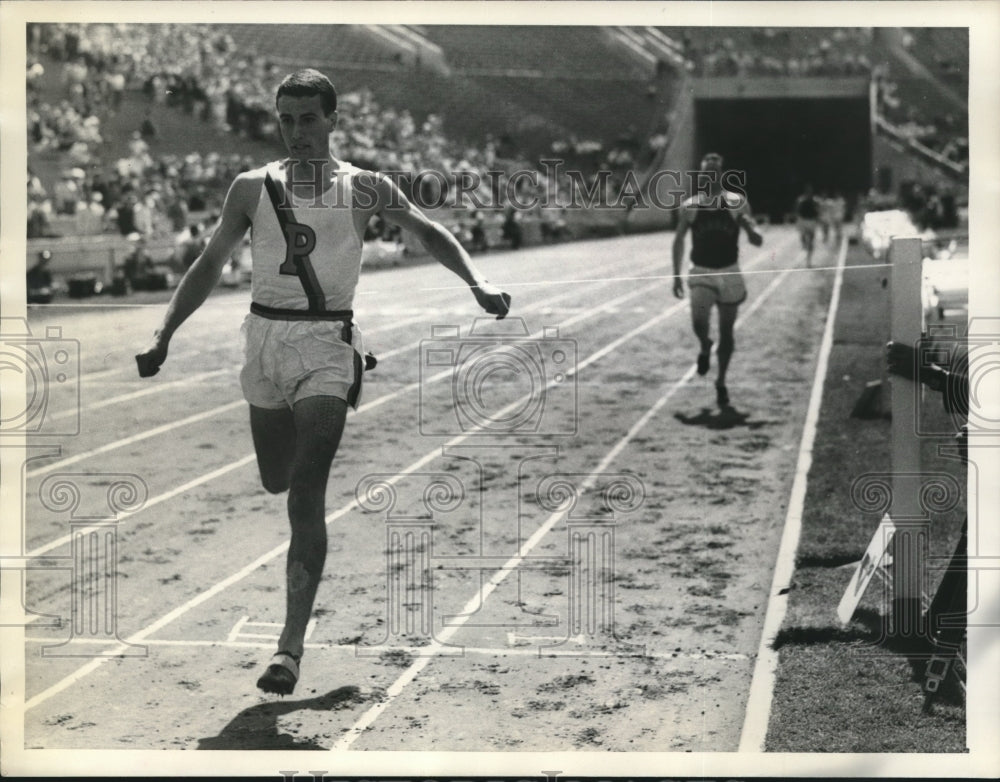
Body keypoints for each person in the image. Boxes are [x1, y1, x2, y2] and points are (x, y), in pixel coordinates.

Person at [135, 69, 511, 696]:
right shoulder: (251, 188)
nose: (297, 131)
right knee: (275, 477)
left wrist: (477, 283)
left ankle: (289, 650)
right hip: (264, 343)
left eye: (309, 118)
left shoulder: (364, 187)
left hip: (327, 344)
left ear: (333, 120)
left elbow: (428, 230)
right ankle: (294, 617)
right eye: (287, 119)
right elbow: (208, 263)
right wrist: (163, 335)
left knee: (305, 489)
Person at [672, 152, 763, 408]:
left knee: (727, 331)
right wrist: (676, 275)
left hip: (729, 271)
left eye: (714, 172)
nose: (710, 176)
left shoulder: (737, 202)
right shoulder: (690, 206)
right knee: (699, 321)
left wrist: (751, 230)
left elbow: (755, 235)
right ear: (701, 177)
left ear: (721, 175)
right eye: (705, 173)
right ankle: (704, 345)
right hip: (701, 271)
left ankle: (721, 381)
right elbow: (678, 240)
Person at [794, 184, 821, 267]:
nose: (809, 193)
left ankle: (808, 261)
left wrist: (817, 219)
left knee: (811, 242)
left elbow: (818, 211)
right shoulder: (801, 200)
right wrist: (798, 221)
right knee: (803, 240)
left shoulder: (815, 201)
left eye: (810, 191)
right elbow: (797, 211)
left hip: (811, 221)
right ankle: (805, 247)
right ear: (806, 192)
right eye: (808, 191)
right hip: (803, 221)